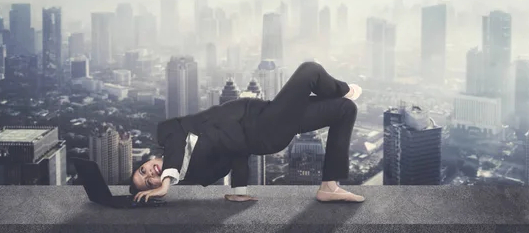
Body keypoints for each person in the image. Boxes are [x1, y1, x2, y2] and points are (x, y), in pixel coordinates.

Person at [129, 61, 365, 203]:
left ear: (148, 160)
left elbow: (176, 146)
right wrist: (166, 184)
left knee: (345, 110)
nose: (150, 174)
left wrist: (239, 190)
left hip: (268, 111)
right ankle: (344, 89)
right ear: (156, 190)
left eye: (143, 170)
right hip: (265, 130)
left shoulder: (167, 132)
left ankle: (329, 187)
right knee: (310, 70)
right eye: (149, 183)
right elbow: (237, 152)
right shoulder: (201, 174)